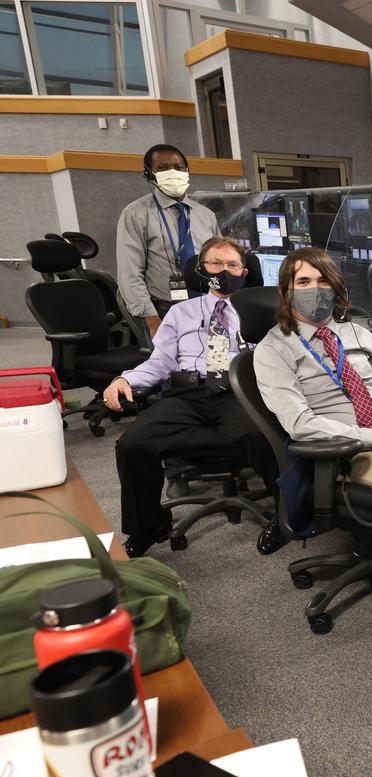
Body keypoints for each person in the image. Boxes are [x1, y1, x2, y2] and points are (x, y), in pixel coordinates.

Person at [106, 236, 275, 558]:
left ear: (245, 270)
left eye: (232, 264)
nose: (224, 270)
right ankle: (148, 527)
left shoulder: (261, 311)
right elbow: (160, 362)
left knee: (261, 435)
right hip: (188, 392)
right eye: (215, 263)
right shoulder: (181, 312)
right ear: (201, 269)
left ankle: (287, 515)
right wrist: (124, 379)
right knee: (133, 444)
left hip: (238, 391)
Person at [253, 248, 372, 519]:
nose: (315, 289)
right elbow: (300, 425)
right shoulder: (273, 350)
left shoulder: (357, 333)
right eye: (304, 282)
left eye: (323, 281)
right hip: (355, 451)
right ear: (285, 291)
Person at [116, 144, 218, 338]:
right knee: (173, 368)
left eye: (178, 167)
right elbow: (130, 272)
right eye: (162, 168)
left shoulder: (206, 215)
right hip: (165, 311)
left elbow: (219, 261)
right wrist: (151, 318)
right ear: (148, 174)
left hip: (207, 306)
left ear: (187, 171)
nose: (173, 172)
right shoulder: (136, 214)